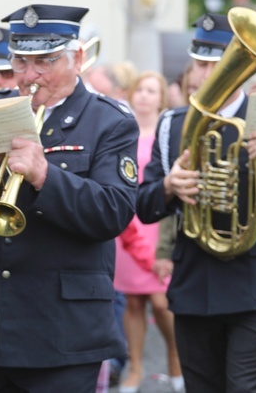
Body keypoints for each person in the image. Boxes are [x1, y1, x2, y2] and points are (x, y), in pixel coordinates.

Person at [0, 4, 139, 392]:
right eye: (20, 62)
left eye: (45, 61)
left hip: (63, 333)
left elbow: (113, 212)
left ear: (78, 58)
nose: (29, 75)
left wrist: (45, 176)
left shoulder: (110, 120)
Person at [137, 11, 256, 392]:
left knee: (244, 386)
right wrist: (168, 188)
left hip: (255, 284)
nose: (204, 74)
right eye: (199, 63)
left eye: (216, 64)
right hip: (194, 282)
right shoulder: (171, 123)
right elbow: (143, 205)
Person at [113, 71, 182, 393]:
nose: (143, 96)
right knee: (134, 302)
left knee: (161, 300)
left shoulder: (168, 135)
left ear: (161, 99)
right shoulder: (121, 132)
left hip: (157, 225)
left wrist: (166, 245)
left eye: (151, 90)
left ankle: (175, 358)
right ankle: (135, 367)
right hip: (128, 226)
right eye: (139, 89)